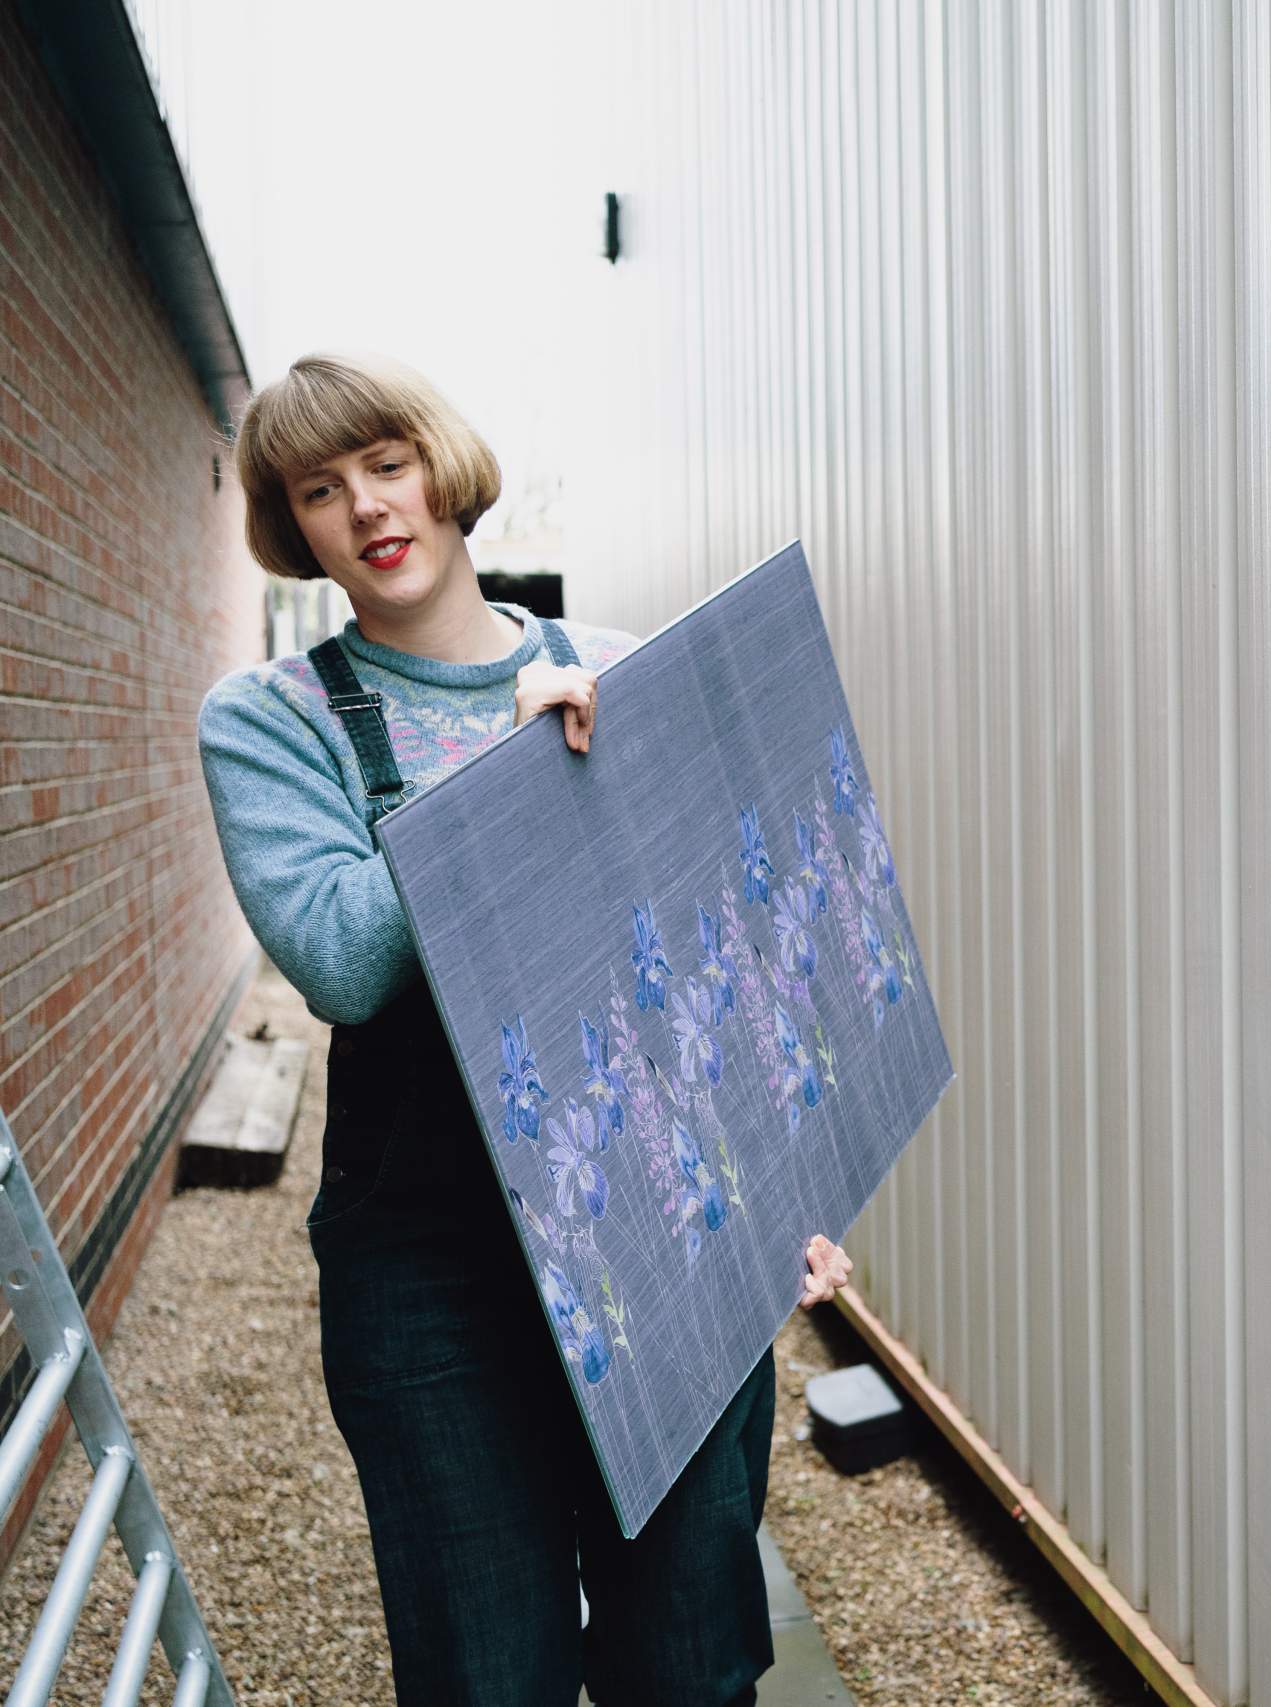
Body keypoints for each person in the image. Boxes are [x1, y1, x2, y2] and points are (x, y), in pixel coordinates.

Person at [196, 352, 853, 1705]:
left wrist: (777, 1189)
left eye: (388, 464)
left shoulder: (617, 669)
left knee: (692, 1661)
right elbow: (343, 960)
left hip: (662, 1237)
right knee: (488, 1678)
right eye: (321, 489)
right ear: (293, 526)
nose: (369, 507)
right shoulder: (274, 721)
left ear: (443, 469)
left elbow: (716, 957)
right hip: (431, 1277)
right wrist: (504, 766)